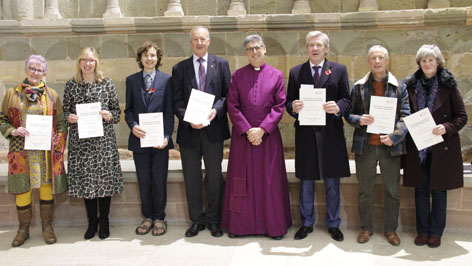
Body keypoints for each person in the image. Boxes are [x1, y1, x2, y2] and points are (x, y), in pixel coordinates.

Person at [221, 34, 292, 240]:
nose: (255, 52)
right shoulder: (238, 75)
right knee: (240, 180)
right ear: (246, 52)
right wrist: (247, 129)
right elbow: (232, 105)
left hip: (268, 138)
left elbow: (279, 105)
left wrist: (262, 129)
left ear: (264, 49)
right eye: (250, 49)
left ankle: (274, 226)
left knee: (269, 181)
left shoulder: (277, 75)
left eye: (258, 48)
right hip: (243, 138)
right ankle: (239, 226)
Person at [286, 31, 351, 241]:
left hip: (331, 134)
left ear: (326, 48)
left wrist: (338, 106)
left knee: (332, 182)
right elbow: (288, 102)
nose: (315, 48)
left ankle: (333, 223)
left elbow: (347, 100)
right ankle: (306, 223)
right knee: (306, 181)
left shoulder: (339, 70)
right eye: (311, 45)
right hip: (306, 135)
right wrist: (293, 107)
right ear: (306, 48)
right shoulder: (296, 72)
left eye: (319, 45)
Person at [403, 44, 467, 248]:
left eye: (431, 60)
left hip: (441, 148)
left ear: (438, 62)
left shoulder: (449, 86)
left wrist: (446, 127)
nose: (427, 64)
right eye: (423, 60)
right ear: (419, 63)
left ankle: (436, 232)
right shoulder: (410, 87)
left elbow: (462, 117)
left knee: (439, 191)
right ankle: (422, 231)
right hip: (418, 148)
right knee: (420, 191)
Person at [0, 55, 67, 247]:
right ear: (26, 70)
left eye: (39, 69)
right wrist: (13, 130)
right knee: (23, 189)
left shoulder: (52, 95)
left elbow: (61, 123)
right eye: (32, 68)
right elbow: (2, 119)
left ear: (44, 72)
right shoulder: (12, 94)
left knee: (46, 188)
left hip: (45, 151)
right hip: (21, 151)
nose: (35, 72)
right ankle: (23, 229)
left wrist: (56, 143)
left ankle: (47, 227)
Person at [346, 45, 410, 246]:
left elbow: (406, 115)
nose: (377, 61)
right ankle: (366, 228)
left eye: (381, 57)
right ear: (368, 61)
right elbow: (349, 114)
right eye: (373, 58)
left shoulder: (400, 87)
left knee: (392, 191)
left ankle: (391, 230)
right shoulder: (359, 87)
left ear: (387, 60)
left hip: (390, 146)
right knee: (365, 190)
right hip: (365, 146)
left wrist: (396, 135)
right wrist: (359, 119)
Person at [172, 26, 231, 237]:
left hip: (213, 130)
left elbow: (227, 95)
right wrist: (188, 118)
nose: (199, 43)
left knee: (214, 177)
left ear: (209, 41)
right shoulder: (180, 68)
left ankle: (214, 220)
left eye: (202, 39)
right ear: (190, 42)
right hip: (189, 132)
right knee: (192, 177)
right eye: (195, 39)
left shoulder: (221, 64)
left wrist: (216, 110)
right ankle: (197, 220)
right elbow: (176, 100)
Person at [63, 47, 123, 240]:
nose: (87, 64)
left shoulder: (106, 83)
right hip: (81, 142)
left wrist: (110, 115)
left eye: (91, 60)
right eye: (84, 60)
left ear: (96, 62)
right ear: (79, 62)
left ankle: (104, 220)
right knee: (87, 181)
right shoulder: (71, 85)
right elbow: (64, 112)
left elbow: (117, 111)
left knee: (104, 181)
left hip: (103, 141)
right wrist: (69, 118)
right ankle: (92, 222)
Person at [125, 41, 173, 236]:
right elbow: (128, 111)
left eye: (152, 55)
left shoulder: (167, 80)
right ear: (140, 58)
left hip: (159, 141)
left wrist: (167, 136)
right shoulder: (131, 80)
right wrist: (133, 125)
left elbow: (169, 113)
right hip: (139, 140)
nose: (149, 58)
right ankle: (147, 217)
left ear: (158, 58)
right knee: (143, 180)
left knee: (160, 180)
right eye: (146, 55)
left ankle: (160, 217)